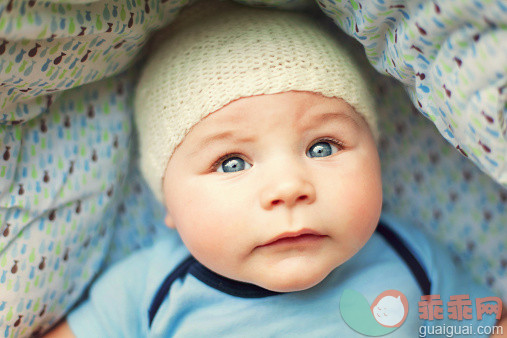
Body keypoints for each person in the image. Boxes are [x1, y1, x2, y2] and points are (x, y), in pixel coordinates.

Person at [46, 1, 505, 336]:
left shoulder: (409, 258)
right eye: (231, 162)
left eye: (323, 148)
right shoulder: (147, 289)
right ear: (168, 202)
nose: (289, 187)